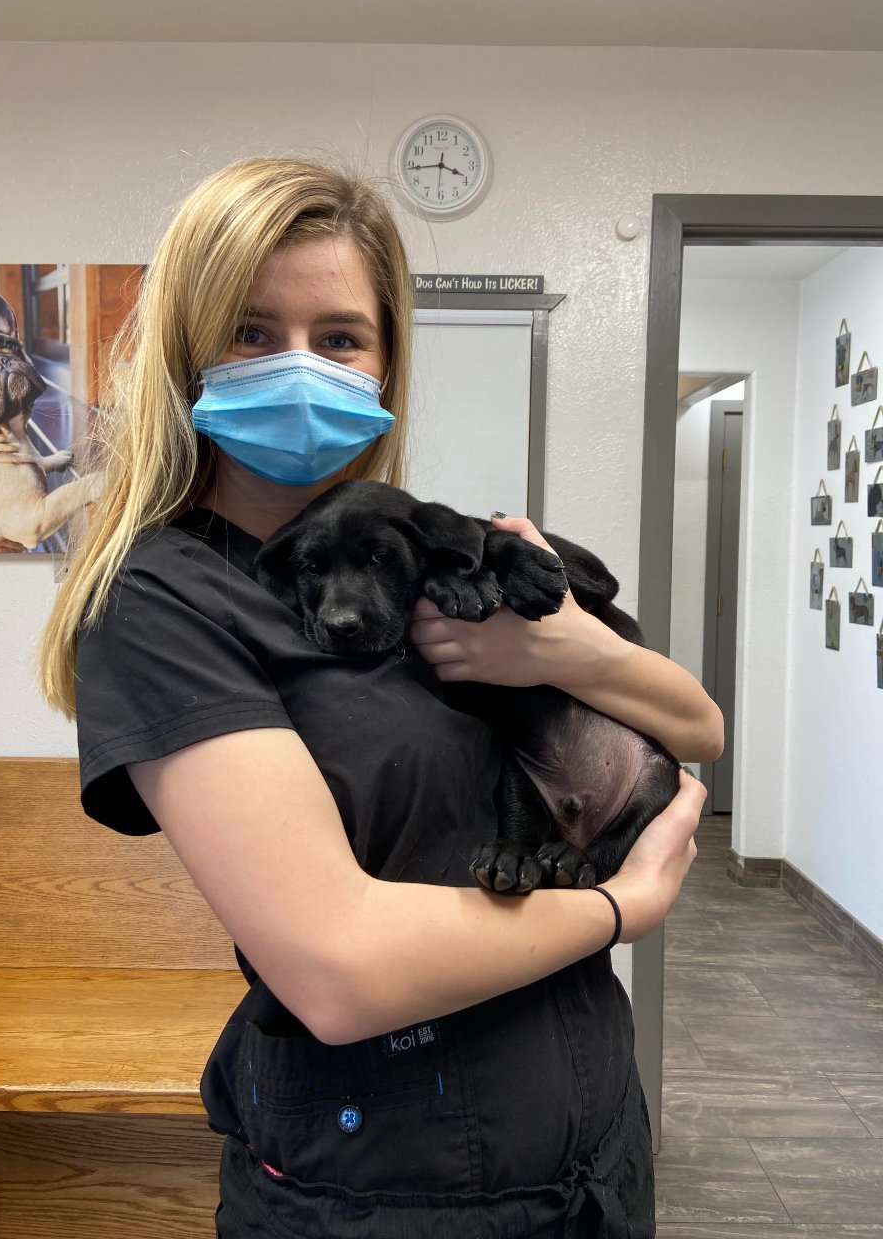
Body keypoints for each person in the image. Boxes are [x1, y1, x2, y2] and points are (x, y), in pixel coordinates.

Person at [37, 157, 721, 1239]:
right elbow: (340, 967)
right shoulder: (163, 601)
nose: (299, 366)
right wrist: (619, 908)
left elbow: (699, 725)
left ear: (387, 360)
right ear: (187, 350)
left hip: (592, 1152)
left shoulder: (424, 542)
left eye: (340, 336)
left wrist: (573, 651)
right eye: (252, 331)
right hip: (388, 1187)